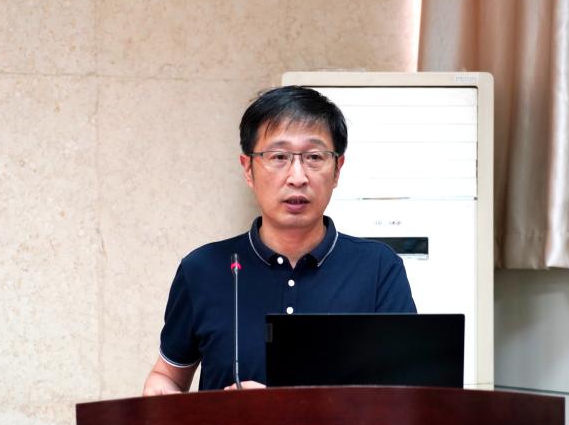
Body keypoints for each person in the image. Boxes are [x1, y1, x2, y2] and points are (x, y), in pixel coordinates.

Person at [142, 86, 416, 395]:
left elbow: (406, 396)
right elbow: (166, 376)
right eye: (278, 157)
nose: (297, 177)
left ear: (337, 170)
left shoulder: (378, 268)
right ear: (248, 169)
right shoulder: (202, 269)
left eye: (314, 157)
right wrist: (164, 397)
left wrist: (277, 409)